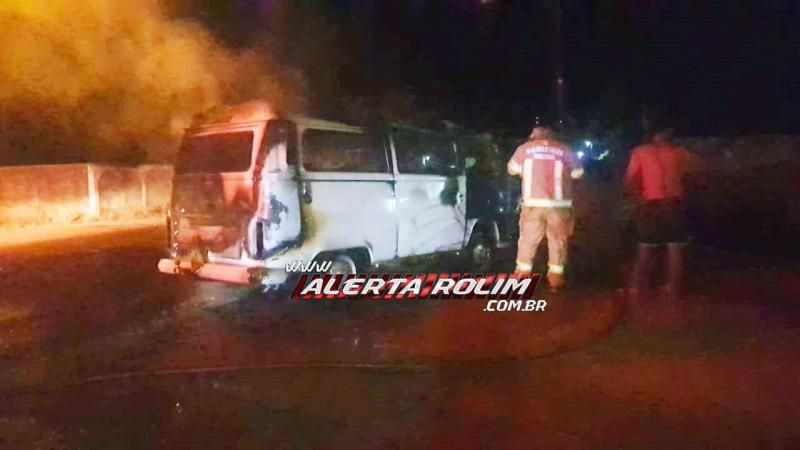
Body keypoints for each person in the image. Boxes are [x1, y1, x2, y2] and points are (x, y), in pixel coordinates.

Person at [625, 127, 698, 301]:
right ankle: (672, 287)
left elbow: (630, 179)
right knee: (675, 247)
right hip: (673, 203)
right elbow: (691, 176)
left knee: (646, 247)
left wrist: (639, 201)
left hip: (651, 204)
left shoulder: (641, 152)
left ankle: (636, 287)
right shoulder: (680, 153)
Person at [507, 126, 583, 292]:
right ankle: (555, 280)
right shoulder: (565, 149)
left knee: (528, 240)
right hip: (559, 205)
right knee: (558, 241)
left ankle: (522, 278)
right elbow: (578, 173)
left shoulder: (524, 149)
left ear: (534, 135)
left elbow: (512, 170)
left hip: (533, 204)